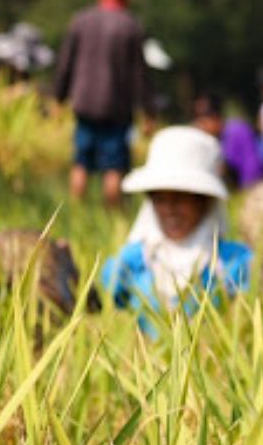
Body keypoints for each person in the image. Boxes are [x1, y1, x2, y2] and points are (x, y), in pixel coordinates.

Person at [99, 126, 252, 336]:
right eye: (160, 200)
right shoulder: (133, 261)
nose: (169, 210)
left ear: (205, 203)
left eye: (181, 199)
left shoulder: (233, 263)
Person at [54, 0, 155, 209]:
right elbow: (140, 75)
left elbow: (65, 64)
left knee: (81, 161)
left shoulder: (80, 20)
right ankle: (111, 217)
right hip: (116, 107)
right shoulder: (131, 26)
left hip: (84, 103)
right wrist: (149, 111)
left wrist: (59, 97)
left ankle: (76, 213)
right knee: (114, 166)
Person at [192, 92, 263, 188]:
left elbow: (253, 172)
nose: (201, 126)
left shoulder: (237, 132)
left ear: (216, 117)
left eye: (203, 121)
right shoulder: (214, 140)